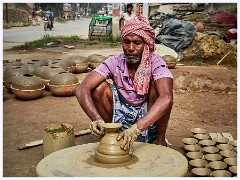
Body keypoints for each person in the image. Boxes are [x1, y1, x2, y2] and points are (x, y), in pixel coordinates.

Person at [75, 16, 173, 154]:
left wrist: (136, 129)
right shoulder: (115, 61)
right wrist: (96, 118)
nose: (131, 48)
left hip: (147, 116)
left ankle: (160, 140)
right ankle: (111, 134)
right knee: (98, 88)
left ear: (146, 44)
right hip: (120, 114)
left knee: (163, 92)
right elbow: (82, 88)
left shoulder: (156, 63)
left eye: (137, 43)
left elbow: (166, 98)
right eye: (126, 42)